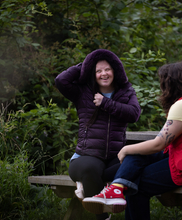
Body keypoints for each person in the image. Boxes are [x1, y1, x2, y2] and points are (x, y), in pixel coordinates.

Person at [82, 61, 182, 219]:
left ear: (169, 83)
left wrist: (126, 149)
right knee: (137, 155)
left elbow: (159, 144)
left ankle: (115, 188)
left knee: (135, 183)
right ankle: (116, 188)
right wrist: (132, 151)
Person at [54, 49, 141, 220]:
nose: (103, 74)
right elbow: (60, 80)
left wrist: (106, 103)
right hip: (86, 156)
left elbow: (134, 114)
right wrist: (87, 64)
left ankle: (88, 185)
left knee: (135, 165)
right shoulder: (83, 92)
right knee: (90, 169)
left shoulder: (126, 91)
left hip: (114, 157)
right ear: (92, 73)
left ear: (115, 70)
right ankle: (103, 217)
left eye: (107, 69)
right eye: (98, 71)